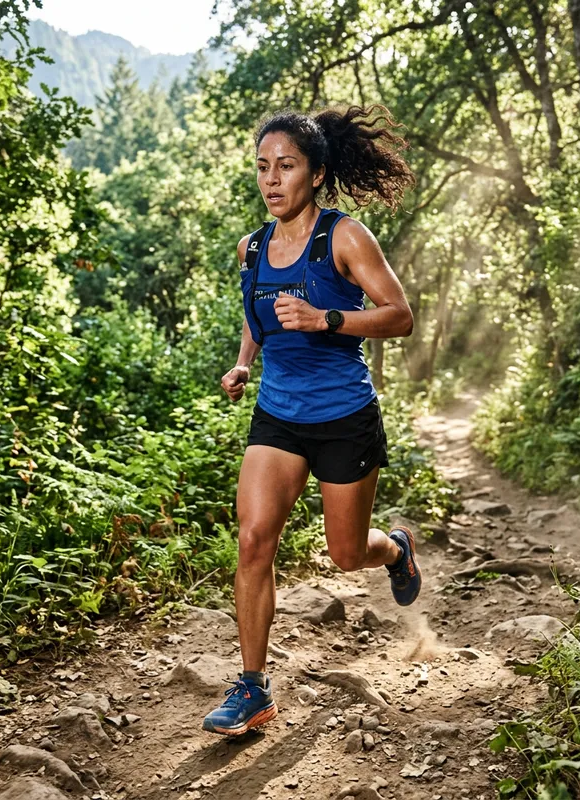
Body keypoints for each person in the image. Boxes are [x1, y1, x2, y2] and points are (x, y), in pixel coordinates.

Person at [203, 105, 422, 737]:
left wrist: (328, 319)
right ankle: (253, 687)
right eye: (263, 168)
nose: (272, 180)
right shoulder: (251, 249)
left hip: (344, 415)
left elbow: (400, 314)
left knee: (347, 555)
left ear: (317, 173)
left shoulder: (344, 238)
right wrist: (245, 363)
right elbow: (256, 315)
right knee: (252, 539)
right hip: (278, 414)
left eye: (287, 167)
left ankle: (396, 548)